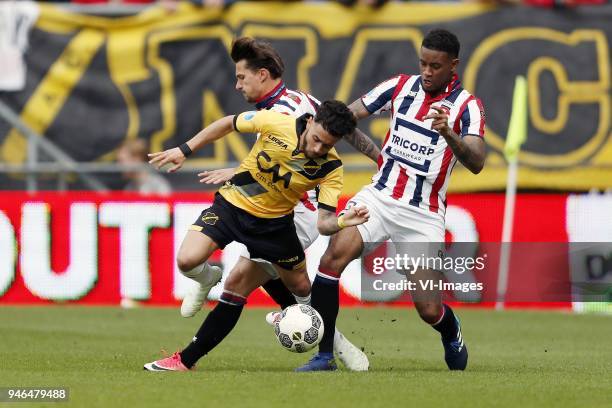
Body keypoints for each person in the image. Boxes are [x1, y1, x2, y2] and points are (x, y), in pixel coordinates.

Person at [296, 29, 486, 372]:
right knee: (330, 261)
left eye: (436, 66)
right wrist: (375, 154)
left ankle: (450, 328)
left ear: (453, 65)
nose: (427, 71)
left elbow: (476, 162)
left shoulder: (466, 106)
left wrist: (448, 133)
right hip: (379, 199)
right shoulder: (399, 87)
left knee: (428, 309)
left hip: (423, 214)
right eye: (423, 63)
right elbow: (344, 120)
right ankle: (324, 355)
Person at [194, 37, 377, 371]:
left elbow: (291, 161)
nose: (237, 85)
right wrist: (378, 156)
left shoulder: (284, 113)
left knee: (241, 281)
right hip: (276, 204)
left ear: (262, 75)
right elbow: (344, 127)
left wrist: (237, 171)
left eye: (241, 78)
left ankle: (329, 345)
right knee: (282, 282)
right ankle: (328, 342)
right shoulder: (299, 99)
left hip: (298, 211)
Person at [144, 100, 370, 371]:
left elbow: (324, 223)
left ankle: (330, 342)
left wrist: (344, 220)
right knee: (187, 260)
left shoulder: (331, 168)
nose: (317, 149)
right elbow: (228, 122)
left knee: (299, 289)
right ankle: (208, 279)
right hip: (232, 207)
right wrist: (185, 149)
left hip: (274, 227)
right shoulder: (275, 122)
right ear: (309, 122)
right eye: (316, 140)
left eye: (327, 145)